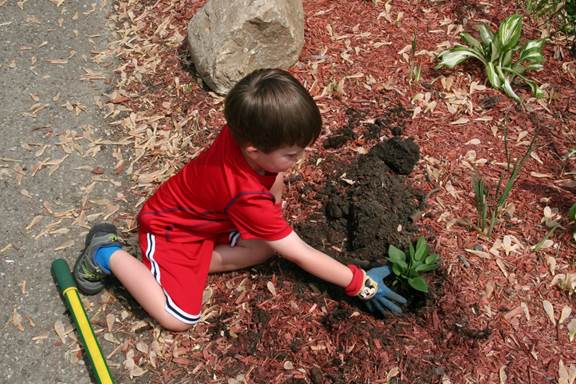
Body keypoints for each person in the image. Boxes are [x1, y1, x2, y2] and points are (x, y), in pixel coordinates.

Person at [73, 68, 406, 331]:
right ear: (255, 150)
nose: (301, 157)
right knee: (179, 318)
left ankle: (188, 267)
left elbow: (272, 185)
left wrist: (273, 202)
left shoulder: (242, 129)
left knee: (264, 245)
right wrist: (359, 283)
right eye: (292, 153)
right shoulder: (245, 195)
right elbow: (301, 253)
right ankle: (107, 253)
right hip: (170, 229)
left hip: (207, 217)